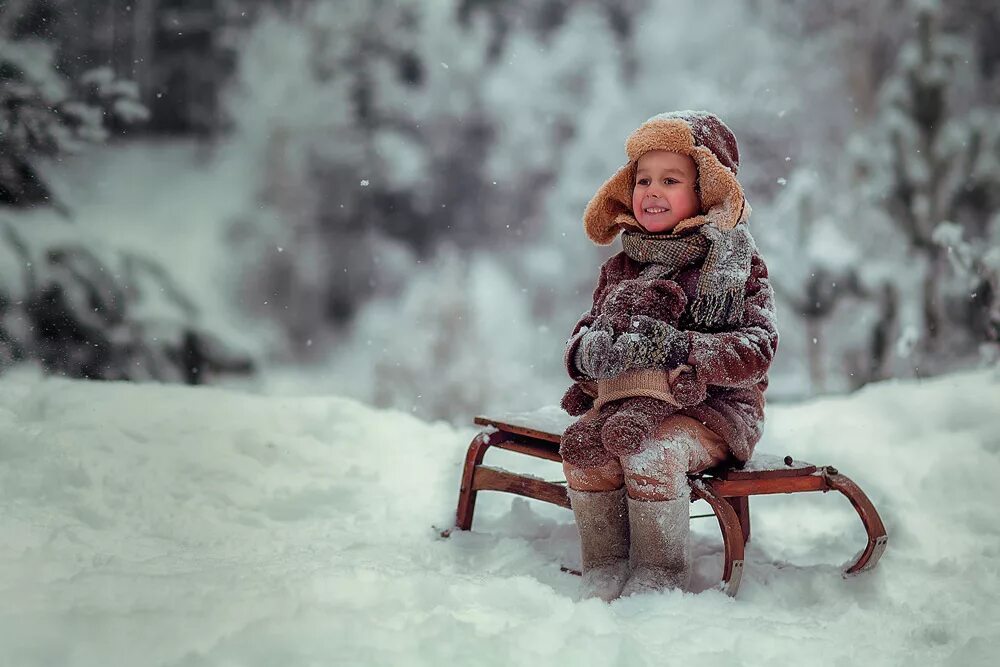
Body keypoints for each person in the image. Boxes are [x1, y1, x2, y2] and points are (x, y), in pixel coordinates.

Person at [559, 111, 778, 601]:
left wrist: (681, 348)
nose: (651, 191)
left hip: (713, 411)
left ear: (706, 192)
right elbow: (587, 330)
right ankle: (605, 566)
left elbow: (758, 349)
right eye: (643, 179)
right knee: (585, 454)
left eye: (671, 180)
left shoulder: (734, 263)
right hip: (626, 403)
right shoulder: (624, 264)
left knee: (649, 452)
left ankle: (658, 575)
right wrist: (588, 354)